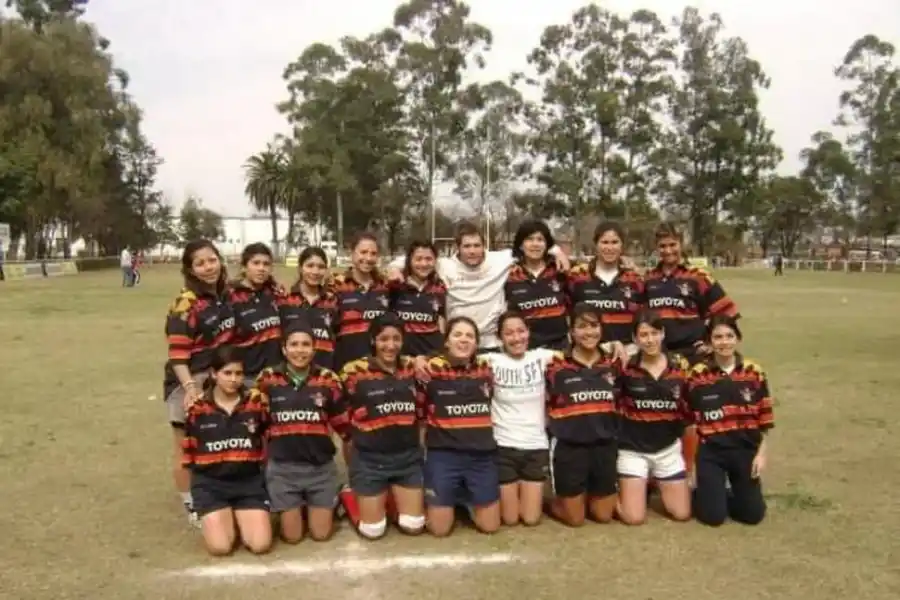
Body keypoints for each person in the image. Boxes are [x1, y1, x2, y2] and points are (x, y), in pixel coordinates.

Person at [390, 221, 570, 352]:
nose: (472, 251)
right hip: (458, 343)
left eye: (477, 245)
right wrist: (393, 268)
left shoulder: (500, 260)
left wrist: (557, 251)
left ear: (485, 246)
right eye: (467, 246)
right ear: (457, 248)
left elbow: (529, 246)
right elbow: (414, 259)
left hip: (492, 344)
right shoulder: (445, 265)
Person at [253, 322, 349, 543]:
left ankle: (337, 497)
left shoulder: (328, 379)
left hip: (320, 468)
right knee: (292, 537)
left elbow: (343, 425)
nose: (300, 350)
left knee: (321, 534)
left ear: (314, 349)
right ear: (284, 348)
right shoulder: (267, 379)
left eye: (306, 345)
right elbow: (258, 423)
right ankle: (289, 505)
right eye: (294, 344)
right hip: (283, 470)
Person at [163, 239, 235, 527]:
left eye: (212, 260)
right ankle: (190, 503)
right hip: (188, 379)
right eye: (200, 263)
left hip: (218, 378)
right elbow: (178, 356)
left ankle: (216, 494)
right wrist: (191, 389)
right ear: (190, 269)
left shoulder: (225, 296)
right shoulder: (185, 303)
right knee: (185, 448)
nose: (208, 268)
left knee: (215, 441)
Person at [339, 314, 425, 540]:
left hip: (407, 458)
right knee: (373, 531)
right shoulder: (352, 372)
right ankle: (351, 494)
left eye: (396, 339)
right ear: (373, 341)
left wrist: (423, 358)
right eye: (383, 339)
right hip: (370, 461)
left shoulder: (411, 367)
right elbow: (345, 423)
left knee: (413, 526)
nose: (390, 345)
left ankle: (389, 496)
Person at [181, 346, 272, 556]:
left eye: (238, 373)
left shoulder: (256, 404)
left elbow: (269, 440)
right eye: (227, 373)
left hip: (248, 484)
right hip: (211, 486)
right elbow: (189, 457)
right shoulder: (197, 408)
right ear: (214, 374)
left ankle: (241, 518)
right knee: (221, 547)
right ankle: (219, 517)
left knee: (260, 545)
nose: (233, 379)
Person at [687, 315, 773, 527]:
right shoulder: (697, 375)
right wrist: (691, 466)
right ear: (709, 342)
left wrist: (761, 455)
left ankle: (731, 492)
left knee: (752, 516)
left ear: (738, 339)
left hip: (745, 449)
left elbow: (765, 418)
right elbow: (690, 419)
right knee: (713, 517)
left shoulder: (754, 372)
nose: (724, 342)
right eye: (717, 337)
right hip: (712, 452)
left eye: (729, 336)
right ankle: (706, 490)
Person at [419, 317, 500, 536]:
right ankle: (448, 495)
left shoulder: (487, 369)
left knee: (490, 527)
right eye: (457, 335)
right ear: (446, 342)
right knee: (439, 530)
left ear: (476, 344)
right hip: (444, 456)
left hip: (481, 456)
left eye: (469, 336)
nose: (463, 340)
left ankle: (464, 499)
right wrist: (418, 358)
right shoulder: (430, 370)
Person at [545, 303, 620, 526]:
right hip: (570, 447)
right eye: (581, 327)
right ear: (572, 331)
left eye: (594, 326)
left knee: (603, 516)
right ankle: (554, 502)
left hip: (604, 445)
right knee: (575, 520)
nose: (588, 332)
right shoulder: (555, 365)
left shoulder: (614, 363)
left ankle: (586, 493)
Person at [616, 310, 692, 525]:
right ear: (634, 339)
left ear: (663, 333)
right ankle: (604, 495)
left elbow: (688, 414)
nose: (650, 340)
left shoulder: (680, 366)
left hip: (667, 450)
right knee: (634, 518)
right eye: (643, 335)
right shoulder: (625, 367)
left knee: (681, 514)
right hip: (633, 450)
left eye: (654, 333)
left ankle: (653, 483)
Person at [484, 311, 557, 526]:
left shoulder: (543, 357)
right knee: (510, 518)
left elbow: (581, 351)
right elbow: (449, 357)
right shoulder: (489, 361)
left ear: (528, 332)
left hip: (535, 446)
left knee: (531, 518)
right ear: (500, 338)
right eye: (509, 333)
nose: (516, 338)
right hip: (503, 446)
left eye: (521, 331)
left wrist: (615, 345)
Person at [643, 223, 740, 365]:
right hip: (659, 355)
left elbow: (727, 312)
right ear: (656, 247)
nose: (668, 250)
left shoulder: (698, 276)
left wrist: (710, 343)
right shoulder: (648, 279)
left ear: (681, 244)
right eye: (662, 246)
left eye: (673, 244)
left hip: (693, 356)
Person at [566, 222, 644, 346]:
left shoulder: (635, 280)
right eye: (604, 242)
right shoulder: (577, 277)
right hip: (589, 355)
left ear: (622, 245)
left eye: (614, 242)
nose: (609, 248)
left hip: (625, 354)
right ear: (596, 244)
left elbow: (643, 320)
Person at [504, 220, 569, 351]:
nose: (535, 244)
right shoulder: (510, 275)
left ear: (546, 245)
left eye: (540, 239)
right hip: (525, 349)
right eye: (529, 239)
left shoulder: (560, 269)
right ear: (521, 245)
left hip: (560, 347)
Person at [330, 232, 390, 370]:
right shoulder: (336, 284)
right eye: (363, 252)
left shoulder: (385, 285)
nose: (368, 258)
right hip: (346, 365)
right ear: (352, 253)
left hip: (378, 366)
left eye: (373, 253)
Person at [228, 243, 283, 384]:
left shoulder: (276, 293)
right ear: (244, 266)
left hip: (277, 376)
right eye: (256, 263)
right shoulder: (230, 297)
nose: (261, 268)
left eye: (266, 264)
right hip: (247, 378)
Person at [278, 246, 339, 370]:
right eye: (310, 266)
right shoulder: (285, 300)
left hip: (324, 374)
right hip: (292, 374)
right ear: (300, 268)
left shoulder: (333, 301)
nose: (315, 272)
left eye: (321, 267)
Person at [390, 241, 447, 356]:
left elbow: (441, 321)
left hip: (431, 356)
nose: (424, 264)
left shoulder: (440, 287)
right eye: (418, 259)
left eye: (429, 259)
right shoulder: (396, 285)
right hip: (402, 359)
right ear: (409, 261)